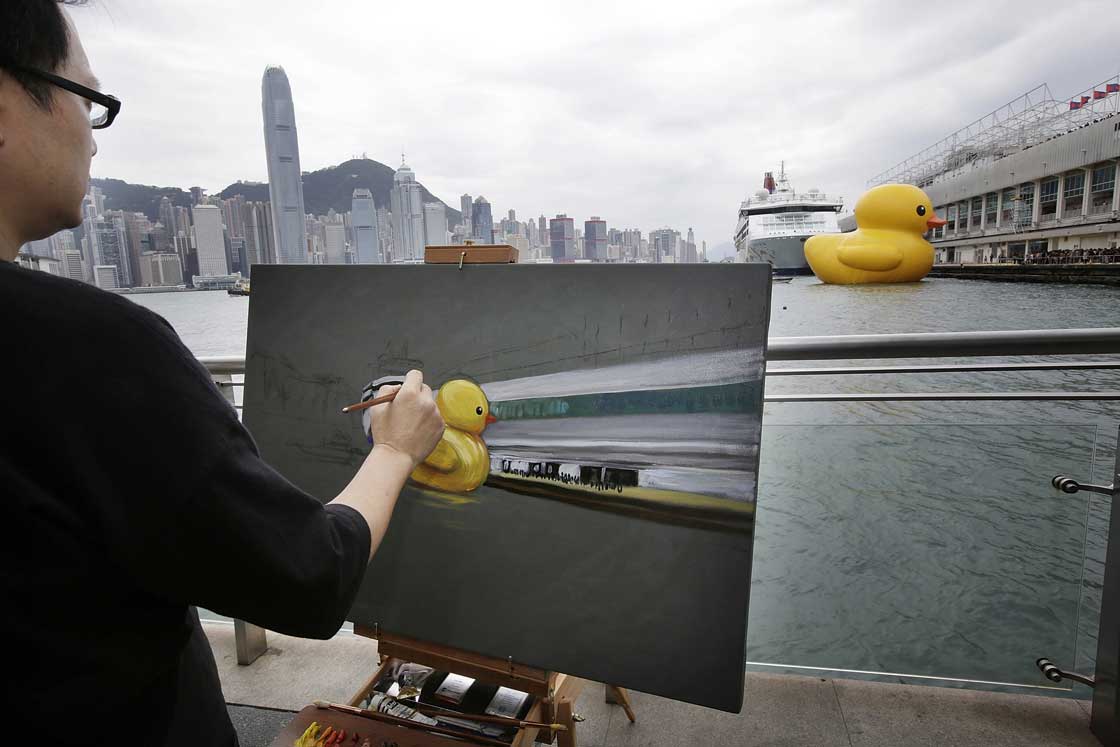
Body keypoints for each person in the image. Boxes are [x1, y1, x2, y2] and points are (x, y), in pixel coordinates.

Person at [0, 3, 444, 745]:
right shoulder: (94, 349)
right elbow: (309, 575)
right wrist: (396, 448)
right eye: (88, 98)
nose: (93, 136)